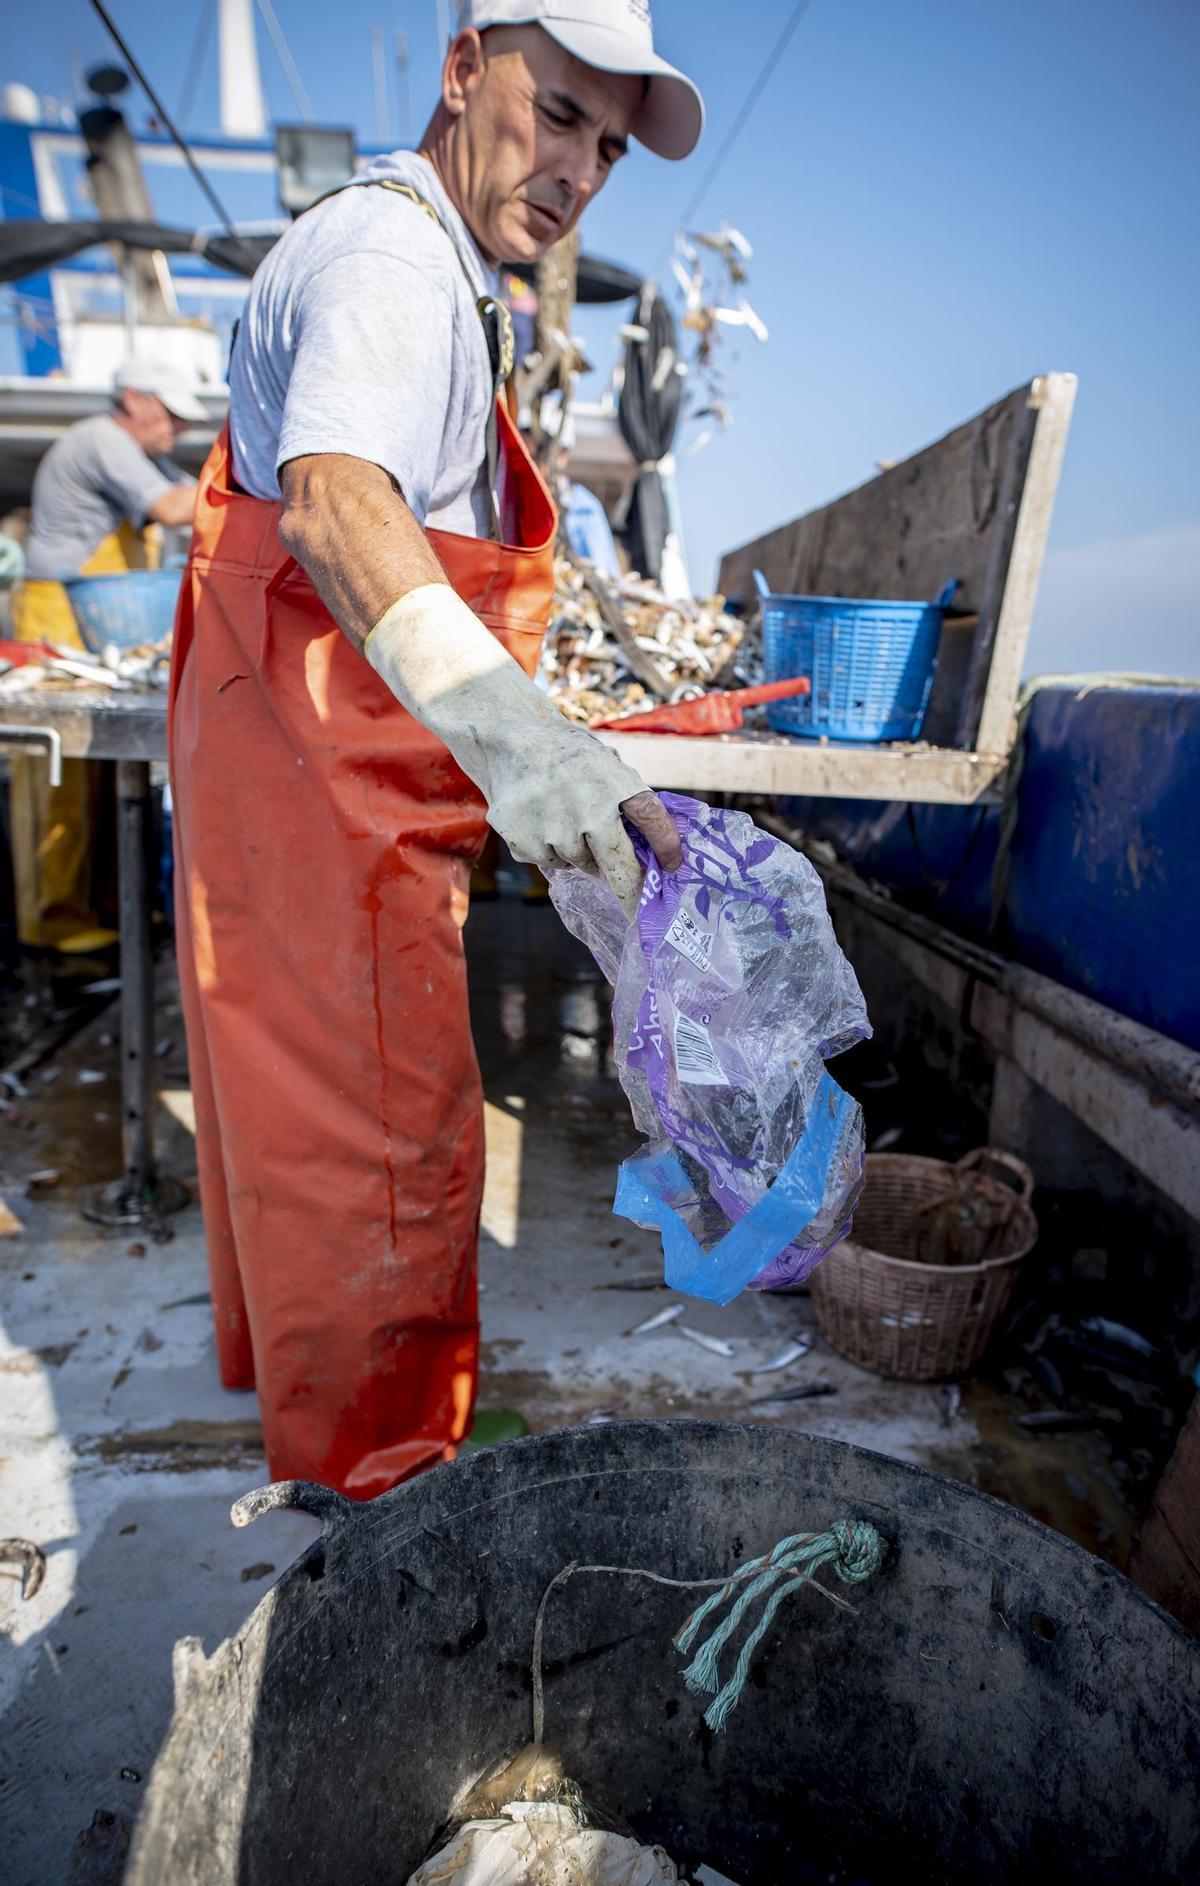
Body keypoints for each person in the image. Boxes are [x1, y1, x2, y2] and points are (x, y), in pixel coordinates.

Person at [171, 2, 703, 1498]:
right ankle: (389, 1483)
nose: (580, 166)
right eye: (559, 113)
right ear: (466, 68)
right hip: (330, 780)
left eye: (607, 145)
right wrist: (524, 743)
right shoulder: (399, 260)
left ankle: (316, 1402)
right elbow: (336, 501)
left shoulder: (426, 255)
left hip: (290, 750)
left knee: (291, 1110)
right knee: (383, 1136)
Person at [11, 358, 202, 952]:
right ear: (133, 399)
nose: (177, 428)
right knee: (57, 769)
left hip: (97, 616)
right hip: (56, 613)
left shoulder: (147, 455)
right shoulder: (102, 440)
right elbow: (178, 508)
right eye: (168, 414)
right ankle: (50, 920)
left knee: (100, 768)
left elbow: (195, 494)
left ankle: (104, 907)